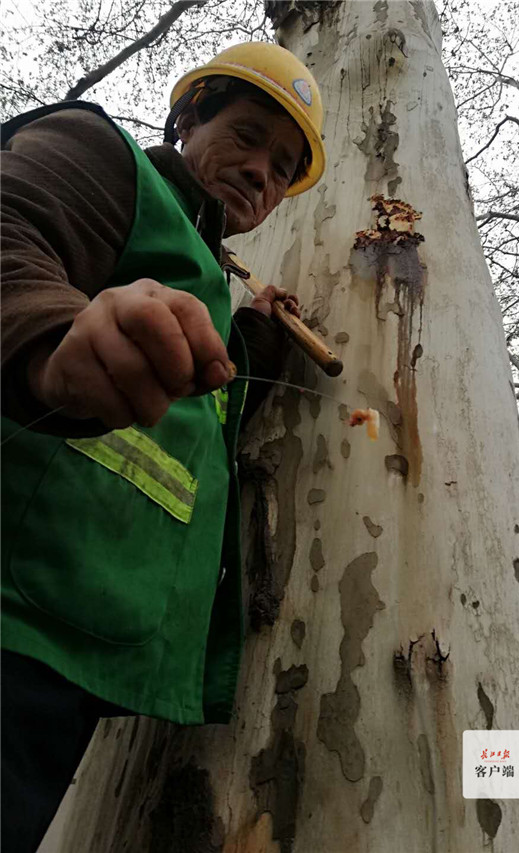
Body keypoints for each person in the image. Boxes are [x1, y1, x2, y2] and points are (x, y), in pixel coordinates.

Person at [1, 42, 326, 853]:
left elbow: (185, 431)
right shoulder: (101, 156)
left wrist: (250, 343)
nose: (261, 173)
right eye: (247, 135)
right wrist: (52, 333)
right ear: (186, 117)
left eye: (282, 167)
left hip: (83, 654)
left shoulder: (206, 278)